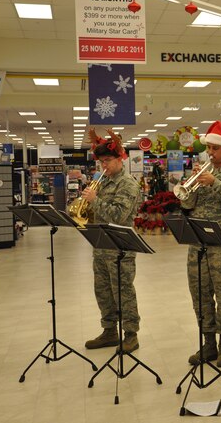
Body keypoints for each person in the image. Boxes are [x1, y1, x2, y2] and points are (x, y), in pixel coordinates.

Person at [180, 121, 221, 368]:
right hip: (198, 243)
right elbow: (186, 205)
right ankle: (208, 344)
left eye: (216, 148)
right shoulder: (200, 171)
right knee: (200, 294)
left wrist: (214, 183)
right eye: (209, 148)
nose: (211, 153)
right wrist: (192, 184)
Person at [83, 129, 143, 353]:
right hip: (101, 246)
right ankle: (109, 331)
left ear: (120, 159)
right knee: (103, 290)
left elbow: (118, 215)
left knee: (123, 290)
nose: (104, 165)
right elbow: (96, 213)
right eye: (101, 162)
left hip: (120, 248)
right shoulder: (104, 182)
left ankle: (131, 334)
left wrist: (95, 200)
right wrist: (87, 205)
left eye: (108, 161)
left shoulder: (127, 184)